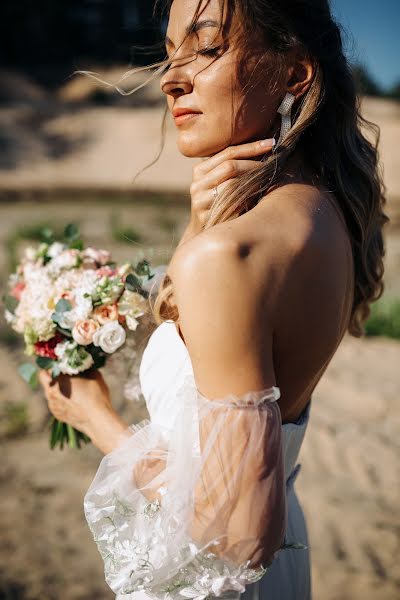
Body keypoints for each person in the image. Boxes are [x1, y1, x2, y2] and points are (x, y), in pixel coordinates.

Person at [39, 1, 389, 599]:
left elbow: (234, 536)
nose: (172, 77)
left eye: (205, 47)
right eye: (171, 52)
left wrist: (94, 418)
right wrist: (198, 226)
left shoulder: (229, 257)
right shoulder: (326, 216)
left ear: (294, 74)